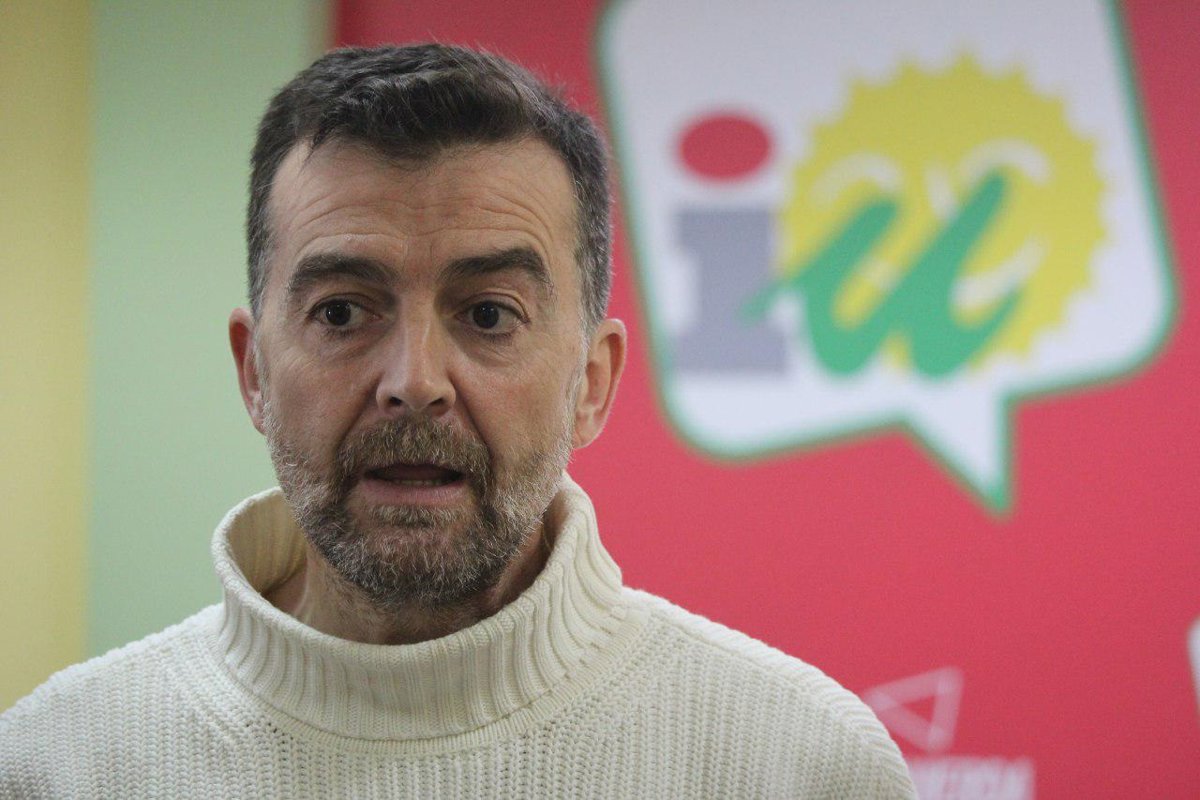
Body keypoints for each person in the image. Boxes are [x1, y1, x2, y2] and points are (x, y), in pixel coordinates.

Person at [0, 44, 915, 798]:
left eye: (487, 314)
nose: (415, 382)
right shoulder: (59, 766)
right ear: (254, 373)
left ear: (591, 383)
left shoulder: (800, 767)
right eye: (342, 313)